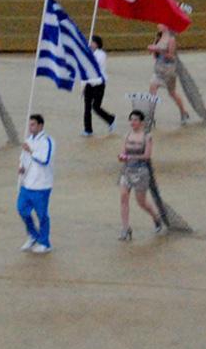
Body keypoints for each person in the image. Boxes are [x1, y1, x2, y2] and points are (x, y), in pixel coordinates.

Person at [116, 110, 165, 240]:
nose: (133, 122)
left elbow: (147, 156)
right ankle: (125, 228)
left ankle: (156, 217)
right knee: (123, 197)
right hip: (126, 170)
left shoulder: (147, 137)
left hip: (141, 171)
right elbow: (123, 152)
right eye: (131, 119)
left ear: (141, 122)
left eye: (135, 120)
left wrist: (130, 157)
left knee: (141, 202)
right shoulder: (127, 135)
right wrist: (121, 157)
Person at [17, 114, 54, 254]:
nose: (30, 127)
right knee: (21, 209)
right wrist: (21, 167)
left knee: (42, 214)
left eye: (33, 124)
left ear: (40, 125)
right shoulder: (28, 140)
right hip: (27, 184)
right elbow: (23, 158)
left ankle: (45, 243)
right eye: (29, 124)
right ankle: (33, 235)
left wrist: (31, 151)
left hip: (41, 185)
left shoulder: (47, 141)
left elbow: (45, 160)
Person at [148, 24, 190, 124]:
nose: (158, 25)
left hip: (168, 71)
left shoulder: (171, 40)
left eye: (161, 24)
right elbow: (154, 55)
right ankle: (150, 116)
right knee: (152, 91)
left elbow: (171, 56)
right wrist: (152, 50)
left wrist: (158, 50)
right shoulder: (158, 37)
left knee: (172, 93)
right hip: (158, 70)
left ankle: (183, 112)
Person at [81, 35, 115, 136]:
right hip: (89, 83)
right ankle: (88, 129)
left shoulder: (101, 54)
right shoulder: (88, 53)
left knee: (96, 107)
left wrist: (89, 57)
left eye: (92, 42)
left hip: (99, 83)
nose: (90, 44)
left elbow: (96, 65)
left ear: (97, 43)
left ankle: (110, 119)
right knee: (87, 107)